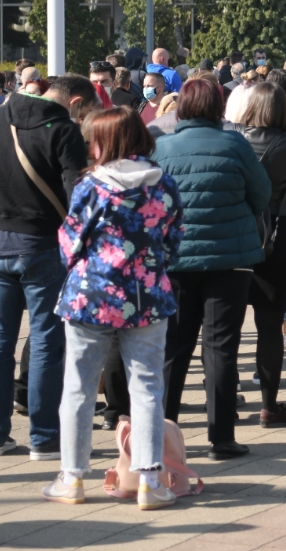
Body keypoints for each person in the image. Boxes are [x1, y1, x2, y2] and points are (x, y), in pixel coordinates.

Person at [45, 108, 184, 508]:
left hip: (92, 297)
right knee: (147, 388)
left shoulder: (90, 186)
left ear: (103, 142)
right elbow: (174, 240)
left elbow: (70, 242)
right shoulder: (164, 184)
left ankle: (71, 477)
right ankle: (149, 480)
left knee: (79, 386)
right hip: (148, 296)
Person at [0, 73, 96, 460]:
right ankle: (43, 438)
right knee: (45, 341)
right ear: (74, 101)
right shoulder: (62, 129)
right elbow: (78, 192)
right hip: (42, 246)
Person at [153, 77, 270, 459]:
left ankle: (162, 433)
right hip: (230, 259)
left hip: (176, 260)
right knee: (220, 348)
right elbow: (261, 195)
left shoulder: (162, 147)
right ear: (219, 107)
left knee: (174, 347)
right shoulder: (235, 144)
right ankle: (221, 438)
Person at [236, 82, 286, 424]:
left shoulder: (234, 139)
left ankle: (222, 397)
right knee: (269, 323)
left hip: (234, 234)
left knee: (225, 324)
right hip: (275, 232)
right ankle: (269, 404)